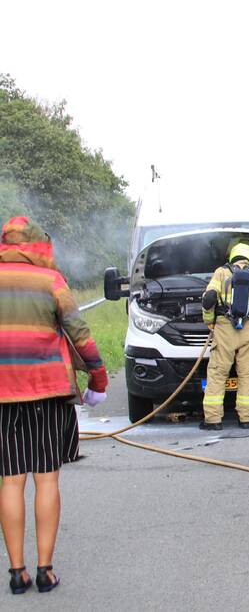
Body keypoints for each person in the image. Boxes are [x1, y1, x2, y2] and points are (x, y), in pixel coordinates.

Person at [0, 216, 108, 594]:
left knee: (11, 480)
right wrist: (98, 378)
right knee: (46, 478)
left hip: (3, 397)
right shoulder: (51, 281)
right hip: (47, 393)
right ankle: (45, 571)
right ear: (38, 245)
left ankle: (17, 573)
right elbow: (80, 334)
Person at [199, 242, 249, 431]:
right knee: (247, 373)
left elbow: (209, 299)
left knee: (218, 373)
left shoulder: (221, 273)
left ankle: (213, 420)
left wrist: (209, 321)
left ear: (232, 257)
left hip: (225, 328)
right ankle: (246, 418)